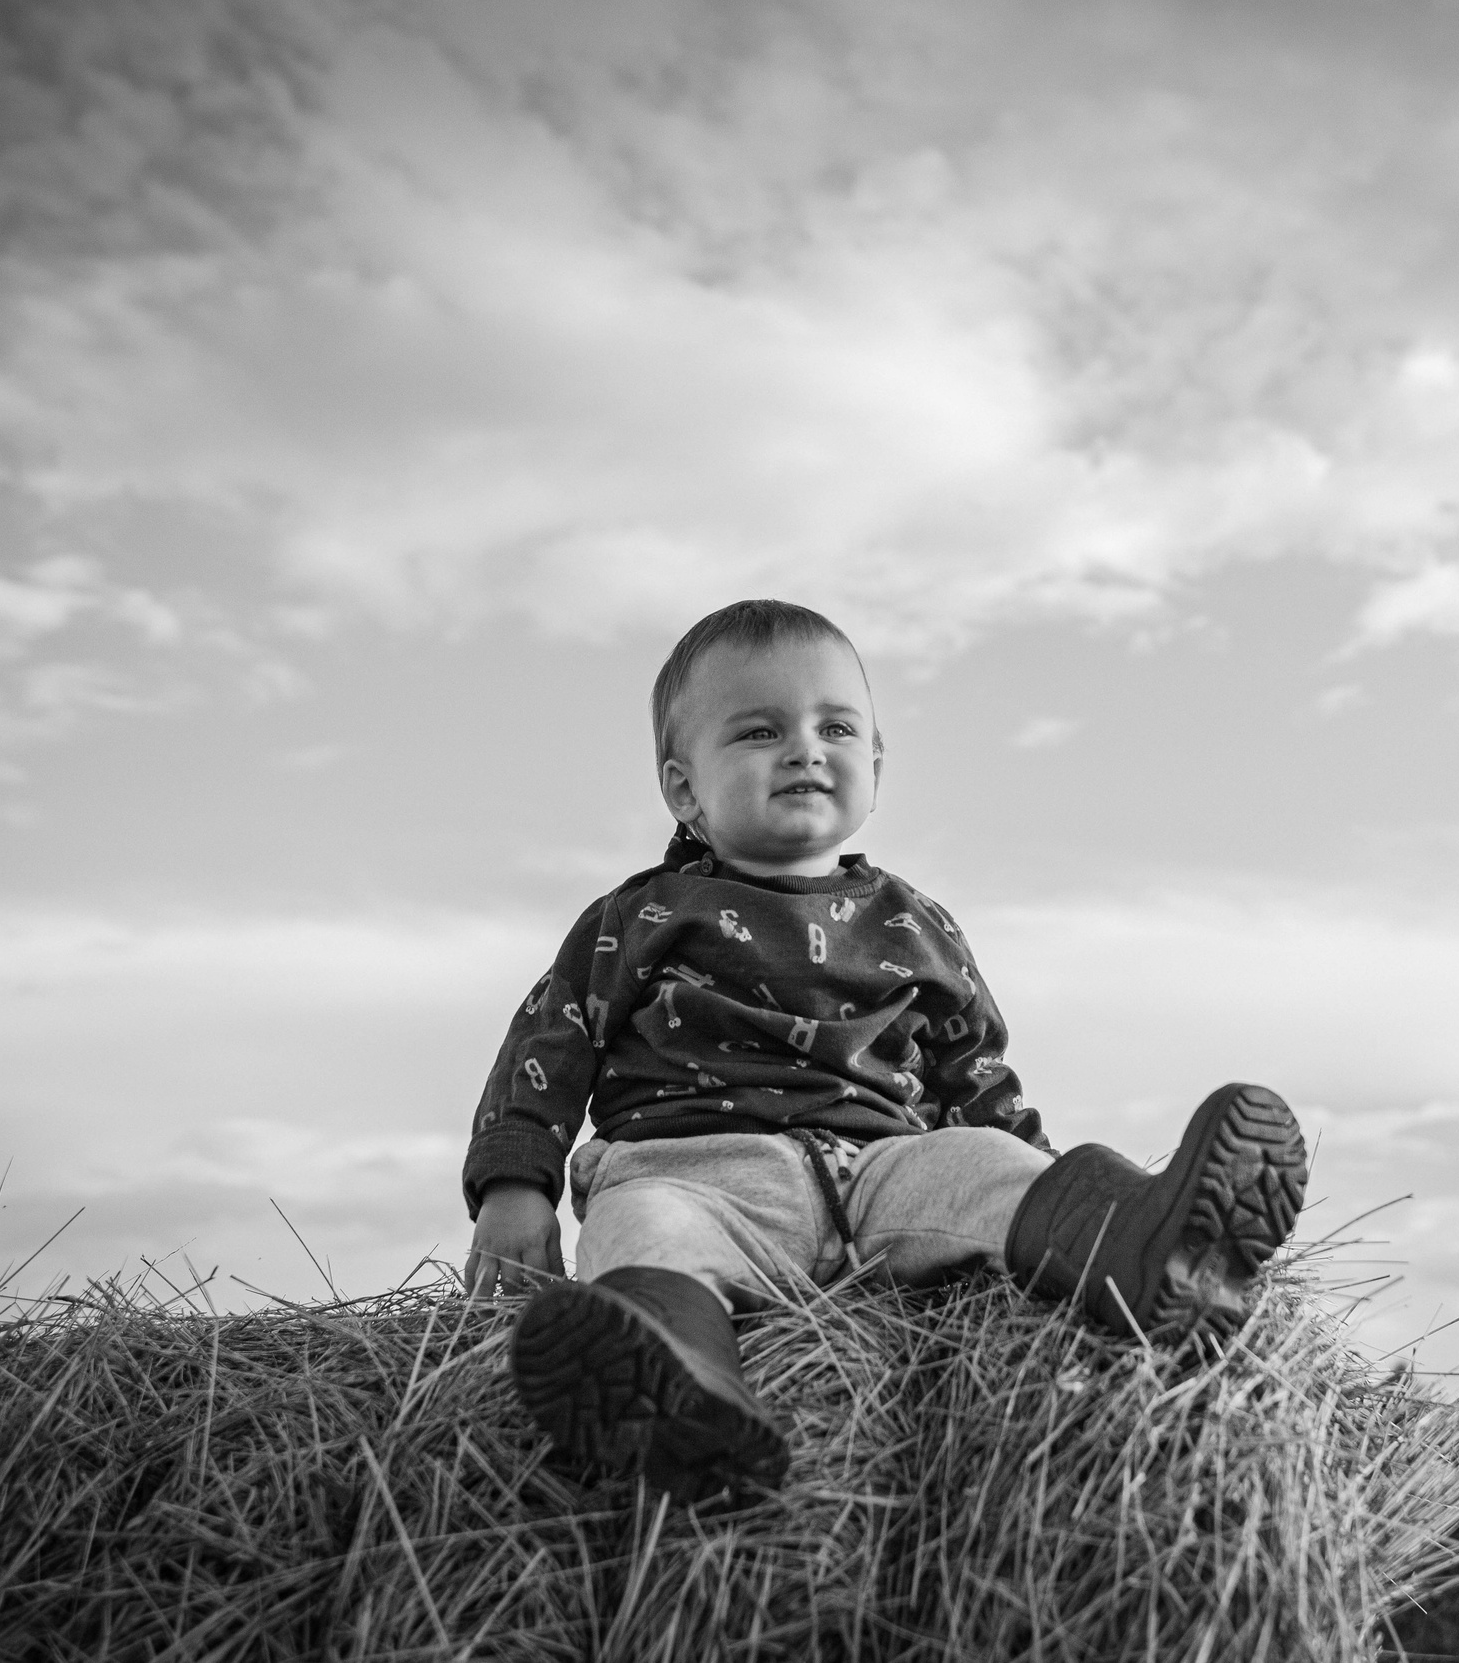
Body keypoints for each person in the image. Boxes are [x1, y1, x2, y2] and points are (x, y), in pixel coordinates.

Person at [460, 599, 1308, 1503]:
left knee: (984, 1163)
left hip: (884, 1174)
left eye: (835, 726)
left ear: (875, 763)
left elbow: (975, 1072)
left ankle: (1131, 1239)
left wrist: (1034, 1170)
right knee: (641, 1227)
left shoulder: (915, 921)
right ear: (682, 787)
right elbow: (546, 1049)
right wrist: (516, 1192)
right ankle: (680, 1392)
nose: (803, 748)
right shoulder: (634, 918)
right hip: (699, 1175)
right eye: (758, 731)